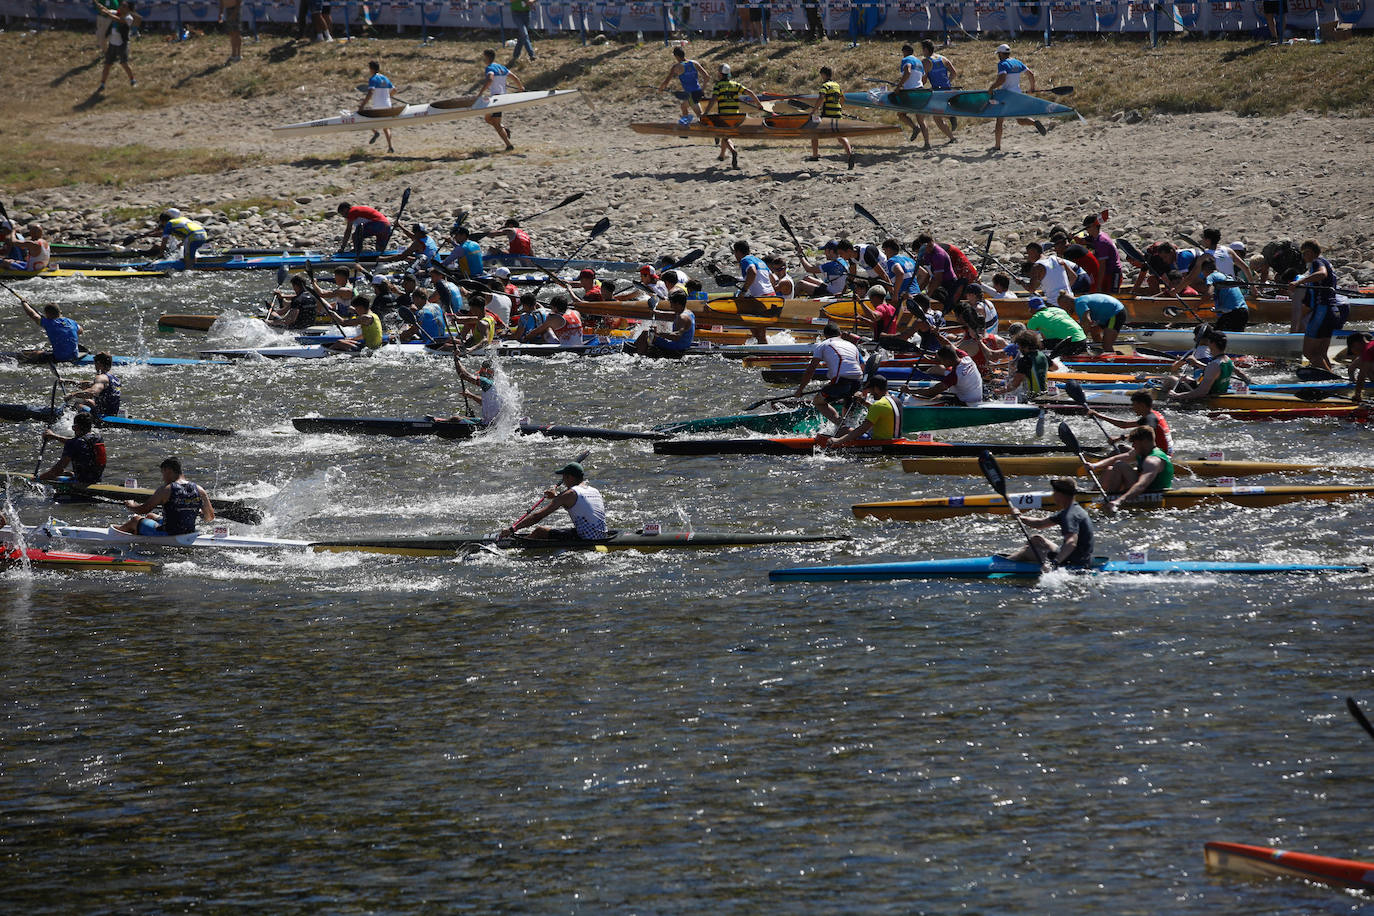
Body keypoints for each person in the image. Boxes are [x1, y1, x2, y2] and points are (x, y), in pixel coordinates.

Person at [500, 461, 606, 541]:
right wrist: (556, 497)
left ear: (569, 477)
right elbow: (575, 501)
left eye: (564, 477)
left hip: (586, 539)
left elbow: (537, 517)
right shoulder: (594, 491)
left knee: (540, 531)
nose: (563, 481)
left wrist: (512, 529)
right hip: (601, 535)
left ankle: (519, 547)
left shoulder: (569, 494)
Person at [1005, 478, 1094, 569]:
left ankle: (1004, 563)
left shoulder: (1069, 515)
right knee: (1036, 539)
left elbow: (1071, 542)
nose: (1053, 495)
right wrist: (1019, 517)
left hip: (1073, 562)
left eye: (1054, 492)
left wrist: (1054, 563)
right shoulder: (1073, 509)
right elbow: (1040, 524)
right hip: (1079, 557)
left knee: (1029, 550)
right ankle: (1011, 559)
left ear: (1061, 494)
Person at [113, 457, 215, 535]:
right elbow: (209, 517)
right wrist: (199, 512)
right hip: (188, 532)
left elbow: (143, 510)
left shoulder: (166, 490)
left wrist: (130, 505)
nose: (163, 478)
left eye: (163, 473)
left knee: (135, 520)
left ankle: (117, 533)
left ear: (168, 470)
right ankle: (138, 530)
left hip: (167, 534)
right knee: (151, 516)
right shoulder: (200, 489)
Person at [791, 322, 866, 428]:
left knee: (818, 402)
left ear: (825, 336)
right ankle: (850, 429)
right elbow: (863, 367)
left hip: (841, 381)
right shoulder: (852, 345)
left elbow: (810, 370)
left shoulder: (823, 345)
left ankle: (842, 427)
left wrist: (800, 390)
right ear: (840, 333)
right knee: (848, 404)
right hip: (858, 381)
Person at [1088, 426, 1175, 512]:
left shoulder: (1152, 460)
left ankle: (1109, 499)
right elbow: (1115, 459)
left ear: (1144, 441)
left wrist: (1118, 501)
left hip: (1151, 494)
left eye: (1134, 442)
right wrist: (1094, 466)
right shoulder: (1139, 451)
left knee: (1119, 465)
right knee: (1111, 468)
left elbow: (1141, 485)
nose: (1132, 445)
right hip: (1142, 490)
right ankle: (1092, 496)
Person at [1290, 239, 1345, 372]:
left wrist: (1299, 282)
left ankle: (1331, 377)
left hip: (1322, 310)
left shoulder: (1317, 262)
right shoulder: (1327, 262)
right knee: (1321, 353)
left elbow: (1322, 274)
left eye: (1304, 254)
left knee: (1309, 353)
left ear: (1310, 252)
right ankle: (1330, 378)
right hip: (1333, 311)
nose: (1303, 257)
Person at [699, 64, 762, 169]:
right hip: (736, 117)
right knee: (726, 136)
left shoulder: (718, 85)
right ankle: (722, 155)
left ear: (720, 74)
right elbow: (750, 92)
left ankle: (733, 151)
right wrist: (759, 104)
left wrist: (706, 112)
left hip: (724, 116)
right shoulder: (735, 84)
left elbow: (713, 99)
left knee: (724, 135)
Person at [989, 44, 1045, 151]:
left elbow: (1002, 79)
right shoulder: (1017, 62)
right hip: (1018, 94)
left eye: (998, 54)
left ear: (1001, 54)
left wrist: (992, 88)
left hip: (1007, 96)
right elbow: (1031, 74)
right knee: (1020, 120)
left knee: (999, 120)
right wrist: (1032, 88)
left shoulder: (1002, 64)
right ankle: (1034, 123)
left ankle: (997, 146)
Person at [1088, 390, 1172, 455]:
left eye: (1134, 405)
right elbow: (1124, 425)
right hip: (1165, 451)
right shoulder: (1153, 414)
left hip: (1160, 455)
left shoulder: (1151, 419)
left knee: (1121, 449)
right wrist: (1099, 416)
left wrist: (1119, 438)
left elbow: (1142, 432)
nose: (1133, 408)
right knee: (1123, 448)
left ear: (1142, 405)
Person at [826, 374, 901, 446]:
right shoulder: (897, 401)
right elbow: (881, 411)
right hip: (896, 440)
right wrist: (863, 402)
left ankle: (832, 445)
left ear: (876, 388)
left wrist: (838, 441)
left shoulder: (878, 405)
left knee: (844, 430)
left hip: (879, 442)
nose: (870, 393)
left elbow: (862, 430)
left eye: (870, 390)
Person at [1163, 329, 1235, 402]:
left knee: (1170, 379)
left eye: (1209, 341)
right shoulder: (1228, 360)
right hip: (1217, 391)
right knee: (1182, 377)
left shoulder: (1214, 365)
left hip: (1206, 397)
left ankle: (1164, 401)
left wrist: (1176, 396)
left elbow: (1202, 392)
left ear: (1212, 343)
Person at [37, 413, 107, 486]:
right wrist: (54, 436)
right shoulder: (98, 438)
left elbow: (57, 471)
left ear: (75, 427)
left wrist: (37, 480)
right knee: (69, 473)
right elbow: (78, 442)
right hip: (96, 478)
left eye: (73, 427)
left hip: (82, 482)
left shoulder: (73, 443)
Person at [806, 66, 854, 170]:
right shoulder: (837, 85)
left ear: (823, 74)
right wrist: (839, 108)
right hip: (837, 113)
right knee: (840, 135)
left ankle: (815, 155)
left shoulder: (825, 85)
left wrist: (814, 110)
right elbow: (843, 99)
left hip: (827, 114)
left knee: (814, 131)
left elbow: (821, 97)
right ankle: (850, 154)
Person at [478, 48, 525, 151]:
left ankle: (509, 145)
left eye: (484, 57)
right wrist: (520, 87)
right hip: (502, 97)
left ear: (487, 57)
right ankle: (505, 130)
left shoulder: (489, 68)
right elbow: (515, 78)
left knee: (496, 123)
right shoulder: (501, 67)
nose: (483, 59)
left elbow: (490, 79)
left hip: (496, 99)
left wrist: (480, 93)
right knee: (487, 119)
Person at [628, 290, 695, 359]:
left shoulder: (683, 318)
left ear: (677, 303)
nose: (671, 307)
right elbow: (673, 315)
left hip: (677, 348)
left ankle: (638, 356)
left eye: (672, 304)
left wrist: (657, 333)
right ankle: (636, 349)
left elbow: (676, 336)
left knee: (646, 334)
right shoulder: (688, 312)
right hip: (682, 345)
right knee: (646, 333)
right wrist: (656, 312)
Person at [913, 343, 984, 406]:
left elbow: (932, 391)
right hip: (977, 396)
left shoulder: (954, 375)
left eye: (941, 360)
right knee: (941, 393)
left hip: (967, 403)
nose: (941, 363)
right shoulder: (966, 357)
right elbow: (949, 345)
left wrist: (910, 390)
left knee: (936, 397)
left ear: (947, 360)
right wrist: (937, 335)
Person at [17, 299, 82, 363]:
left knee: (36, 353)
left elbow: (33, 315)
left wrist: (24, 303)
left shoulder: (49, 323)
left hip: (60, 358)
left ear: (47, 314)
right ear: (60, 312)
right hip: (75, 356)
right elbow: (80, 331)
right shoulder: (71, 322)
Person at [96, 0, 140, 93]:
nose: (121, 6)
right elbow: (107, 11)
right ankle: (102, 84)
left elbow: (118, 20)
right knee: (107, 64)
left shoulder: (129, 18)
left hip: (122, 44)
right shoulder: (117, 12)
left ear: (128, 9)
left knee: (124, 64)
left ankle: (132, 80)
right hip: (112, 43)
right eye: (122, 5)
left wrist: (107, 13)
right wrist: (101, 8)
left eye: (124, 5)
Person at [659, 46, 710, 125]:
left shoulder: (676, 67)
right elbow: (707, 77)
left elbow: (666, 81)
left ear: (676, 56)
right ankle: (687, 125)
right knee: (684, 107)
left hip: (690, 94)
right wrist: (702, 90)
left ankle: (688, 127)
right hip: (698, 92)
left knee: (700, 116)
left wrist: (660, 89)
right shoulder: (694, 63)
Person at [62, 352, 121, 418]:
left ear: (98, 363)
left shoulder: (101, 377)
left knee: (77, 404)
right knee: (86, 401)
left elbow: (92, 393)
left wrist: (72, 395)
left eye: (95, 363)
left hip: (102, 416)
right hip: (112, 413)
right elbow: (89, 384)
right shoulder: (115, 379)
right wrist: (67, 382)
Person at [920, 39, 957, 141]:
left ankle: (950, 117)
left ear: (926, 49)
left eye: (922, 49)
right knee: (937, 117)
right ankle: (952, 137)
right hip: (947, 89)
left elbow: (924, 80)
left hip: (937, 91)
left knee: (937, 117)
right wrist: (948, 82)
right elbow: (954, 73)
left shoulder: (926, 61)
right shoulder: (943, 58)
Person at [996, 330, 1050, 399]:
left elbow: (1015, 384)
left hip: (1033, 397)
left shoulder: (1025, 360)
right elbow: (1055, 367)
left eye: (1019, 346)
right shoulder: (1043, 356)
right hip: (1044, 393)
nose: (1019, 349)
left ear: (1025, 346)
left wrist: (1000, 391)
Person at [1082, 212, 1122, 293]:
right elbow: (1088, 240)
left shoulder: (1102, 242)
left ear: (1094, 226)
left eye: (1087, 227)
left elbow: (1102, 266)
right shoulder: (1098, 236)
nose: (1086, 230)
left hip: (1113, 273)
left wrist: (1099, 285)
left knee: (1112, 297)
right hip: (1107, 273)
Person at [361, 60, 396, 153]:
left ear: (371, 69)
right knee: (386, 127)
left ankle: (375, 132)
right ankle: (390, 146)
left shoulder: (373, 79)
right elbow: (394, 90)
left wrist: (363, 104)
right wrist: (388, 96)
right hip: (388, 105)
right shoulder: (385, 78)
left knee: (365, 118)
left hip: (378, 105)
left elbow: (371, 92)